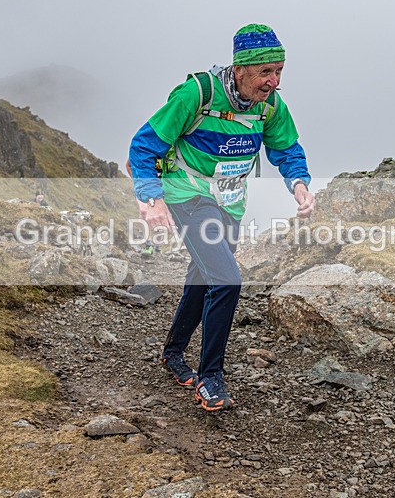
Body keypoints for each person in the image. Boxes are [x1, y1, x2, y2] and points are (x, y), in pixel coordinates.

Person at [128, 24, 315, 411]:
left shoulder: (270, 107)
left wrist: (298, 184)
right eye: (265, 72)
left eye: (279, 70)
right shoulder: (196, 94)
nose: (274, 81)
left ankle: (173, 353)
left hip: (229, 203)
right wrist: (152, 198)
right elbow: (143, 145)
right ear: (241, 69)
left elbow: (287, 149)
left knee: (203, 276)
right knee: (228, 280)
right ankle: (210, 378)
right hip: (188, 194)